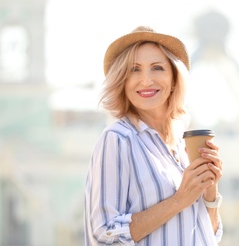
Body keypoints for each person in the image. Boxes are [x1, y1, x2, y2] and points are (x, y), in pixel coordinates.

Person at [84, 26, 223, 245]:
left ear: (174, 80)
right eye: (134, 69)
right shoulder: (118, 139)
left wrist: (209, 192)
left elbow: (208, 236)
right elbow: (104, 231)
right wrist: (180, 200)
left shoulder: (181, 147)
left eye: (157, 68)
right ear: (122, 81)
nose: (146, 80)